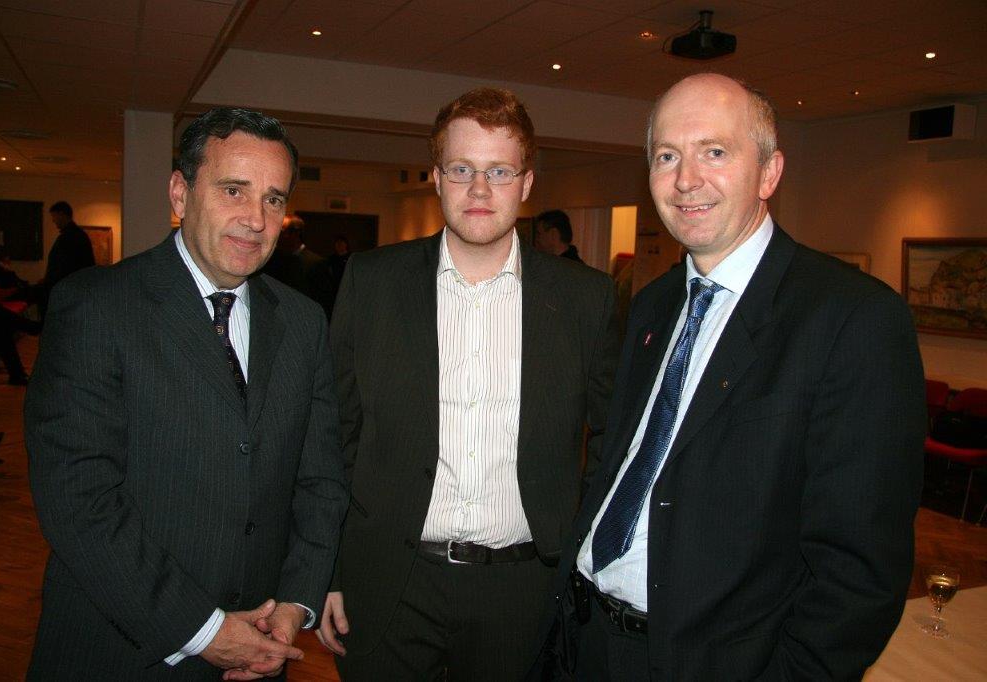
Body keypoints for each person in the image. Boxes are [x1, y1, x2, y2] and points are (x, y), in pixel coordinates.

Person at [531, 73, 925, 680]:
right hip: (583, 638)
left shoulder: (852, 319)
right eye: (667, 156)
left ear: (769, 173)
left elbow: (859, 570)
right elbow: (618, 457)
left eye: (714, 151)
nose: (686, 179)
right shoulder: (655, 304)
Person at [25, 107, 348, 680]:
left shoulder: (302, 322)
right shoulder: (97, 306)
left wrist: (295, 603)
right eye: (233, 190)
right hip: (124, 650)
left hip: (262, 644)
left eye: (273, 199)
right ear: (180, 193)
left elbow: (320, 479)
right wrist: (202, 629)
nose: (255, 219)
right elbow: (78, 497)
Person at [318, 87, 621, 680]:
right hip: (390, 584)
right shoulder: (372, 282)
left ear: (526, 183)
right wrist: (327, 571)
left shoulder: (585, 299)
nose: (479, 189)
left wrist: (579, 557)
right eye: (462, 169)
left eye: (499, 171)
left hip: (524, 593)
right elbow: (334, 435)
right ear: (436, 177)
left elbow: (611, 444)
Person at [263, 216, 335, 318]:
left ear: (296, 233)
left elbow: (324, 302)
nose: (277, 235)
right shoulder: (271, 261)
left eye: (281, 231)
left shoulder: (315, 263)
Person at [41, 200, 95, 303]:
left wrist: (50, 283)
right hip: (72, 288)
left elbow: (62, 266)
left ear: (61, 214)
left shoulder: (70, 237)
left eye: (54, 216)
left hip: (68, 290)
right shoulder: (77, 235)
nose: (53, 220)